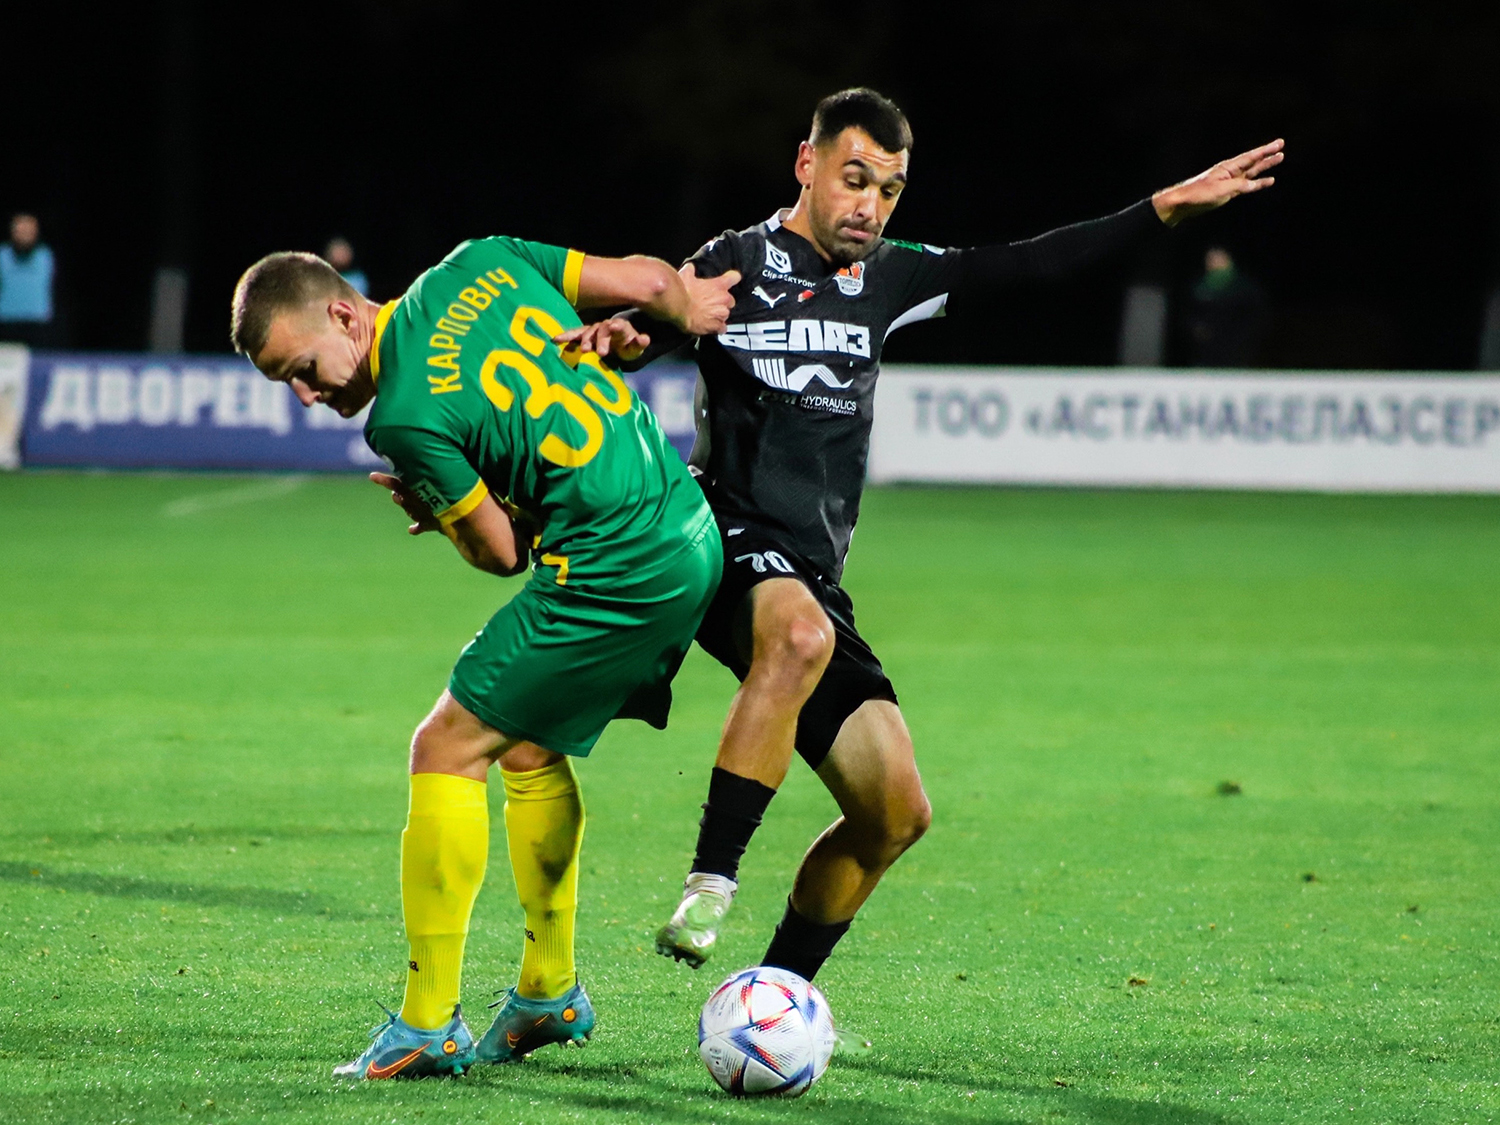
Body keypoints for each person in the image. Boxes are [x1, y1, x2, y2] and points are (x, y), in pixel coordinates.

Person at [563, 88, 1283, 990]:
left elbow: (1030, 264)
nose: (869, 205)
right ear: (807, 165)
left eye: (890, 190)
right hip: (725, 540)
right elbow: (661, 319)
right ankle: (711, 879)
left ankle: (772, 996)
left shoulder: (895, 279)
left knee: (893, 814)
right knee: (796, 635)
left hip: (813, 574)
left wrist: (1163, 208)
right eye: (854, 179)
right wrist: (628, 336)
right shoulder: (735, 260)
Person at [230, 236, 738, 1078]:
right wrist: (689, 311)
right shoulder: (483, 260)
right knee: (526, 740)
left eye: (305, 366)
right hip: (686, 526)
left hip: (617, 563)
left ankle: (429, 1021)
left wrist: (447, 513)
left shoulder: (401, 417)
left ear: (345, 314)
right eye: (287, 382)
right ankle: (549, 989)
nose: (307, 393)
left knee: (446, 745)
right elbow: (651, 282)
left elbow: (501, 554)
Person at [1186, 245, 1269, 367]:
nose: (1214, 263)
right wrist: (1196, 328)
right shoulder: (1199, 287)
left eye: (1218, 258)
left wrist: (1243, 337)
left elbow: (1256, 316)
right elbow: (1190, 314)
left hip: (1236, 349)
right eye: (1210, 259)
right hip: (1206, 350)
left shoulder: (1243, 287)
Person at [0, 213, 56, 347]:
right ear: (12, 232)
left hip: (38, 323)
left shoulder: (45, 256)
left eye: (29, 230)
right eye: (21, 230)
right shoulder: (2, 255)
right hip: (7, 322)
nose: (25, 235)